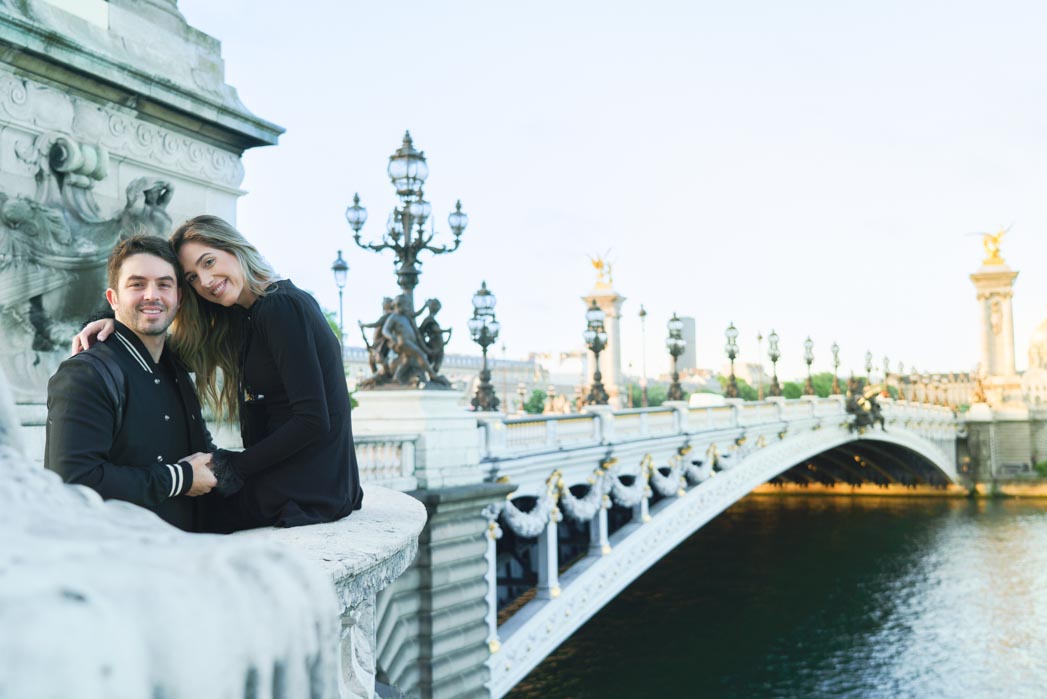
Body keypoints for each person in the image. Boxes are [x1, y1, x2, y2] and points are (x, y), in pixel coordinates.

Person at [78, 216, 364, 532]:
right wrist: (115, 321)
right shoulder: (247, 316)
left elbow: (312, 419)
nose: (206, 280)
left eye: (209, 261)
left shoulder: (280, 307)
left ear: (235, 248)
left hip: (308, 487)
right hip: (310, 479)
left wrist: (232, 465)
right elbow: (172, 353)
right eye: (193, 277)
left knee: (176, 510)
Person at [46, 235, 216, 531]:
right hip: (119, 565)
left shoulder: (176, 369)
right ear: (113, 298)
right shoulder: (85, 374)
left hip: (188, 558)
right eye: (137, 284)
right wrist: (179, 478)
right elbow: (72, 481)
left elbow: (202, 455)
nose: (152, 295)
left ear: (179, 297)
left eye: (164, 284)